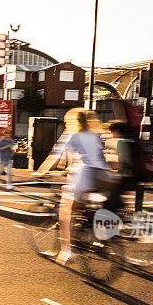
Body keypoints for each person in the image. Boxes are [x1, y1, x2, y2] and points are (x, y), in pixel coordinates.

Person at [34, 109, 115, 264]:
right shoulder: (96, 134)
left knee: (66, 211)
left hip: (85, 174)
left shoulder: (73, 134)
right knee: (91, 206)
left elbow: (55, 156)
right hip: (103, 175)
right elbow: (103, 154)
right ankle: (101, 238)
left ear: (73, 122)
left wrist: (41, 172)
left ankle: (68, 251)